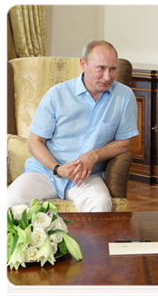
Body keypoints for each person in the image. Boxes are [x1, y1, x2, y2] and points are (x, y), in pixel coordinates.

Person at [5, 40, 139, 212]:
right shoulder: (56, 95)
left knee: (100, 204)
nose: (108, 77)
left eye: (113, 69)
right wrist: (57, 169)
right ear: (83, 64)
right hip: (45, 172)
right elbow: (34, 141)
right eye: (101, 68)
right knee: (9, 202)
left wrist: (94, 155)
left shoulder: (124, 96)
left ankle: (90, 241)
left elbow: (124, 142)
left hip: (87, 176)